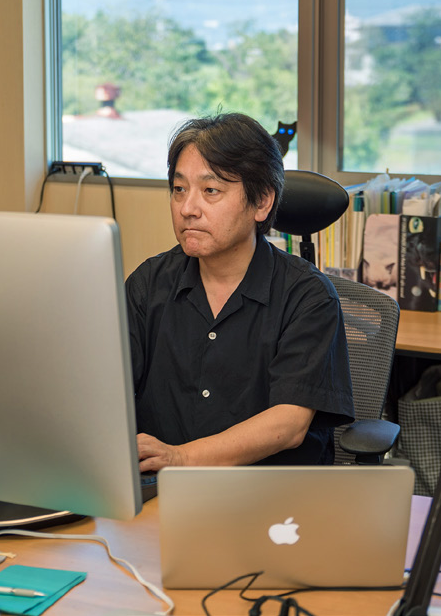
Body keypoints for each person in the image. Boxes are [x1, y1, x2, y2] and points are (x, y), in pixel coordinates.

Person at [126, 113, 355, 471]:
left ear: (261, 202)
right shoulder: (149, 283)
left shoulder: (308, 297)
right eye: (179, 189)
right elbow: (107, 388)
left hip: (270, 495)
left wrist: (181, 457)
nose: (187, 209)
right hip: (162, 489)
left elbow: (288, 425)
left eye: (210, 191)